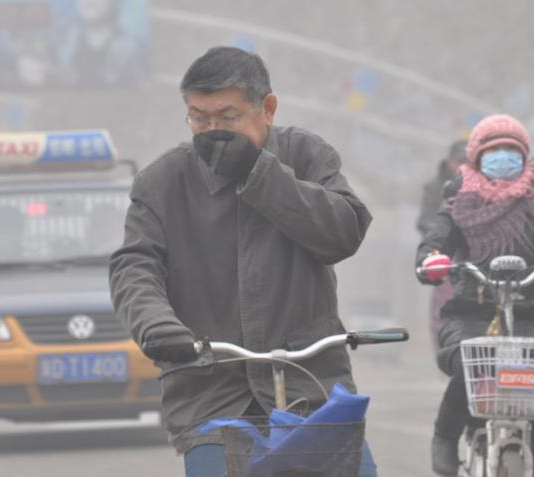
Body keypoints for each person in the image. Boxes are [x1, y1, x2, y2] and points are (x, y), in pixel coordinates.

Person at [109, 46, 375, 477]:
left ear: (267, 109)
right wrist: (157, 326)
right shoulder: (162, 182)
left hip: (310, 386)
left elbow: (343, 233)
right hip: (211, 392)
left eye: (227, 118)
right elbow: (134, 268)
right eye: (199, 118)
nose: (211, 130)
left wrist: (258, 173)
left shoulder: (308, 156)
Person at [415, 114, 534, 477]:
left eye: (511, 150)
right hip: (470, 310)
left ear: (524, 155)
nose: (502, 157)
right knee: (470, 364)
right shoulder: (457, 195)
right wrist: (432, 257)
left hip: (531, 312)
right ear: (477, 156)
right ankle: (445, 436)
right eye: (493, 150)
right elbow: (437, 236)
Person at [416, 140, 468, 352]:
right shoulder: (435, 189)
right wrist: (440, 237)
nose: (463, 167)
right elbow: (424, 221)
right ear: (450, 162)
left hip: (474, 260)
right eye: (460, 161)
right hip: (446, 261)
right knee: (443, 309)